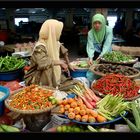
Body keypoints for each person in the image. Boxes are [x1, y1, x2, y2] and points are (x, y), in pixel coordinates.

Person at [24, 19, 74, 88]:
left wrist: (69, 64)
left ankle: (55, 82)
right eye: (58, 31)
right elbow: (42, 63)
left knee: (70, 83)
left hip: (52, 73)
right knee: (48, 67)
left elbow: (64, 52)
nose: (60, 33)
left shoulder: (55, 42)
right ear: (52, 31)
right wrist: (60, 62)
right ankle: (49, 87)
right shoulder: (40, 46)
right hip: (37, 76)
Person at [86, 13, 113, 83]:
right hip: (96, 52)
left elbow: (107, 45)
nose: (97, 25)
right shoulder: (90, 33)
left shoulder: (108, 30)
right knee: (95, 69)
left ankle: (107, 82)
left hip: (107, 52)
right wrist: (90, 57)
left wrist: (101, 55)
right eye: (95, 23)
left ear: (103, 23)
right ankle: (95, 83)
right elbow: (90, 46)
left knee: (107, 69)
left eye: (99, 23)